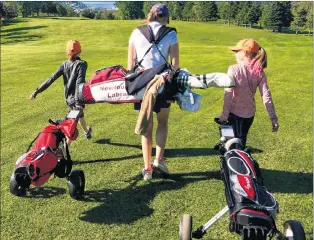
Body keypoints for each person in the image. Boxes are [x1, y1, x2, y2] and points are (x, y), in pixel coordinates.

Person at [127, 3, 179, 181]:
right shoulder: (171, 33)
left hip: (141, 84)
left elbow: (130, 64)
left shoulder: (136, 32)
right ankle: (159, 160)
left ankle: (147, 169)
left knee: (146, 127)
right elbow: (175, 64)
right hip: (162, 83)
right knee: (162, 122)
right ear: (165, 17)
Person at [29, 40, 92, 145]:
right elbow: (79, 83)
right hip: (76, 100)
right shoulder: (82, 64)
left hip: (69, 100)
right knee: (71, 129)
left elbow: (50, 79)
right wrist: (78, 103)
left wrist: (36, 91)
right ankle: (61, 155)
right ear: (80, 51)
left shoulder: (64, 64)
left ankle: (87, 132)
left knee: (80, 116)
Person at [219, 38, 279, 148]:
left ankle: (231, 161)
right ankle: (237, 158)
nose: (235, 54)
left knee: (229, 142)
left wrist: (224, 114)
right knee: (241, 139)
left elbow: (228, 94)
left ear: (245, 52)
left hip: (233, 114)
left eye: (237, 51)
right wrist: (273, 118)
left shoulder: (233, 69)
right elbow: (266, 96)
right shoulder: (259, 72)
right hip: (249, 115)